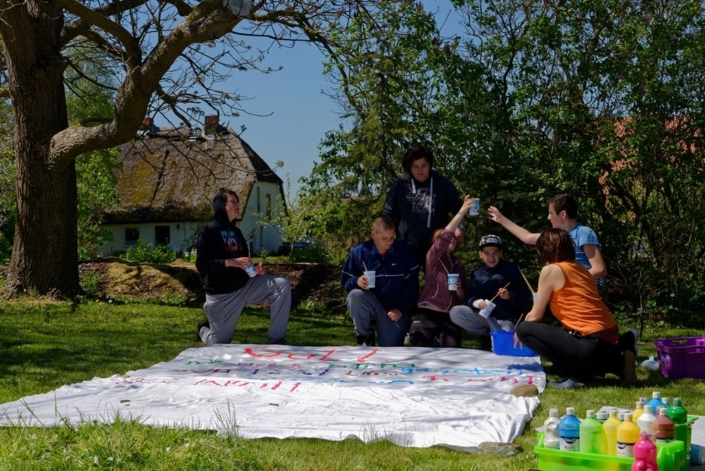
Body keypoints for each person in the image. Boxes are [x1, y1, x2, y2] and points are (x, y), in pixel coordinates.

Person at [514, 228, 637, 389]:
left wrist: (518, 330)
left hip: (590, 344)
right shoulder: (581, 269)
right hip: (610, 340)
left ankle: (578, 375)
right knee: (565, 355)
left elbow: (536, 316)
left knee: (525, 329)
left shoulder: (551, 270)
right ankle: (618, 365)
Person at [195, 189, 290, 346]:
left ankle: (277, 340)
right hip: (222, 297)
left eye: (238, 201)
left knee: (281, 285)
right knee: (218, 344)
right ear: (222, 205)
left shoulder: (237, 233)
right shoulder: (209, 231)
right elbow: (202, 265)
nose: (238, 205)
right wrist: (230, 262)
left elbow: (243, 263)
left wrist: (255, 271)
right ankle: (203, 329)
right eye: (233, 202)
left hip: (245, 287)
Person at [487, 194, 608, 300]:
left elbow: (599, 269)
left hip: (591, 288)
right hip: (571, 288)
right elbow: (527, 237)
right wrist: (501, 219)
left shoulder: (583, 233)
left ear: (563, 214)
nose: (548, 217)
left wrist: (567, 280)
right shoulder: (557, 236)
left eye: (550, 213)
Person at [341, 215, 420, 347]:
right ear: (373, 234)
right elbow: (346, 280)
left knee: (389, 347)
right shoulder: (360, 252)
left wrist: (401, 309)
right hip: (372, 302)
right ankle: (365, 336)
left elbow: (412, 285)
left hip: (395, 308)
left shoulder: (403, 250)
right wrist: (357, 281)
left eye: (392, 237)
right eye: (385, 238)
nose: (389, 242)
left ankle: (399, 332)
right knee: (355, 296)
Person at [410, 196, 476, 348]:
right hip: (427, 312)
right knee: (420, 349)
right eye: (446, 238)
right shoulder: (432, 258)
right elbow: (445, 236)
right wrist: (462, 211)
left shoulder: (458, 266)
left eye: (453, 238)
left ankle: (439, 341)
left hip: (448, 316)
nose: (450, 239)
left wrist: (459, 291)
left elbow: (464, 294)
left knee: (453, 351)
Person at [383, 145, 462, 271]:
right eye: (415, 167)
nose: (420, 170)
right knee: (407, 284)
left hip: (437, 243)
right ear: (409, 167)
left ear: (430, 165)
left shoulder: (442, 184)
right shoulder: (400, 186)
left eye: (424, 166)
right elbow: (388, 213)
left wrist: (459, 227)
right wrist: (386, 235)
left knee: (439, 282)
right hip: (408, 245)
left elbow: (458, 208)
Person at [449, 235, 530, 347]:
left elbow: (524, 299)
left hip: (505, 319)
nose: (491, 257)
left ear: (501, 253)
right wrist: (477, 302)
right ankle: (488, 333)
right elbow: (471, 295)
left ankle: (496, 333)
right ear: (480, 254)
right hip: (484, 316)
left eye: (495, 253)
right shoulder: (477, 273)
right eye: (487, 253)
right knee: (456, 312)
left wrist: (509, 296)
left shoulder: (512, 270)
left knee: (504, 344)